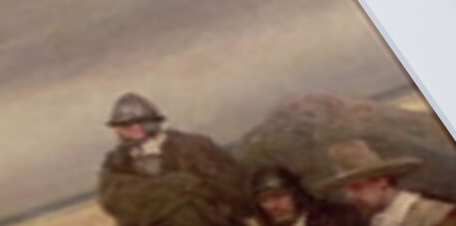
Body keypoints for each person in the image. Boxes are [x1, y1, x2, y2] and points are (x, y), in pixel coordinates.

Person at [98, 92, 247, 226]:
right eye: (125, 125)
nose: (134, 129)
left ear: (153, 122)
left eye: (140, 122)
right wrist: (181, 186)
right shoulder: (116, 164)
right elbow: (118, 201)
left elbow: (233, 188)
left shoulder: (194, 147)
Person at [316, 141, 456, 226]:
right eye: (347, 190)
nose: (350, 196)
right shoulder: (378, 221)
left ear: (381, 181)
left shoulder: (438, 216)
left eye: (356, 187)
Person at [246, 165, 360, 226]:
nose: (272, 206)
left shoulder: (339, 219)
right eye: (263, 200)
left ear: (297, 194)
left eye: (279, 196)